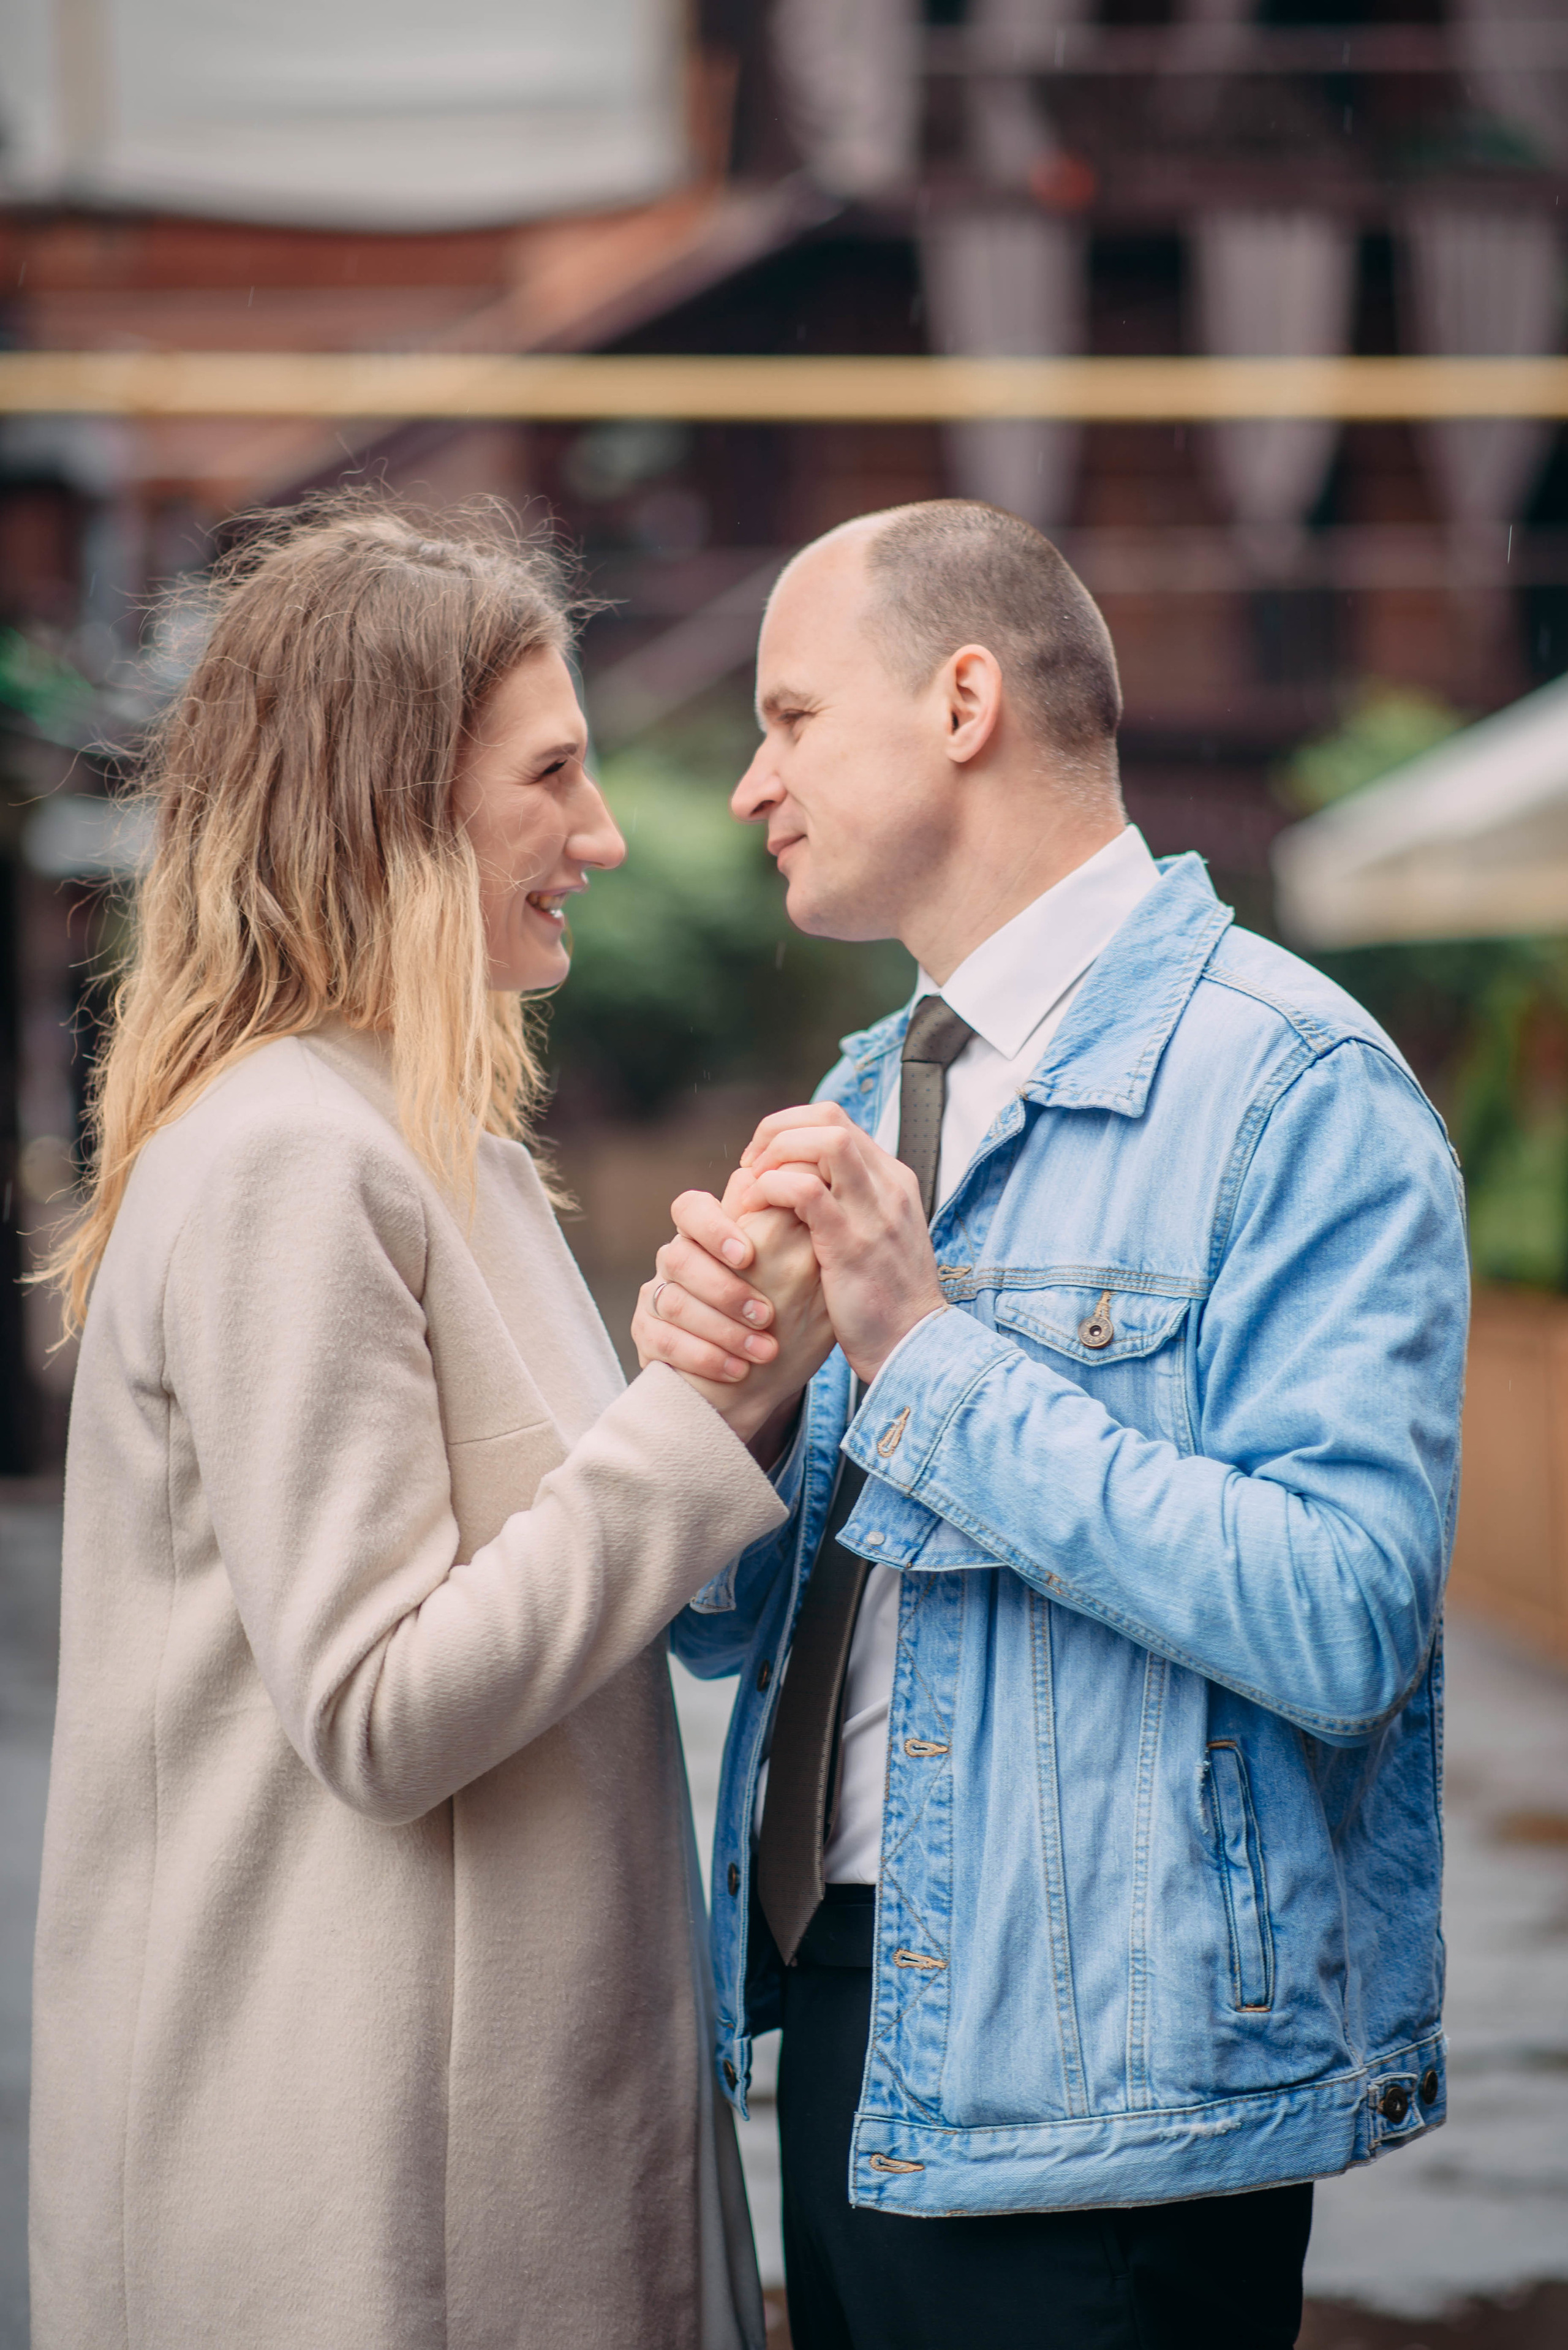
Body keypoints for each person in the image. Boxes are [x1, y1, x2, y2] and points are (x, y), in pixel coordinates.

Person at [633, 499, 1469, 2350]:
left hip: (1120, 2103)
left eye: (789, 718)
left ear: (961, 698)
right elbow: (737, 1634)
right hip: (850, 2021)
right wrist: (732, 1420)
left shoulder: (1294, 1084)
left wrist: (924, 1360)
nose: (752, 786)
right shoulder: (871, 1087)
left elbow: (1349, 1615)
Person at [29, 496, 834, 2350]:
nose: (606, 835)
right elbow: (383, 1705)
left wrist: (725, 1399)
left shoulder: (426, 1137)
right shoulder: (290, 1163)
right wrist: (707, 1407)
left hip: (479, 2180)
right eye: (552, 774)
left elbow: (548, 1563)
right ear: (393, 792)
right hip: (373, 2226)